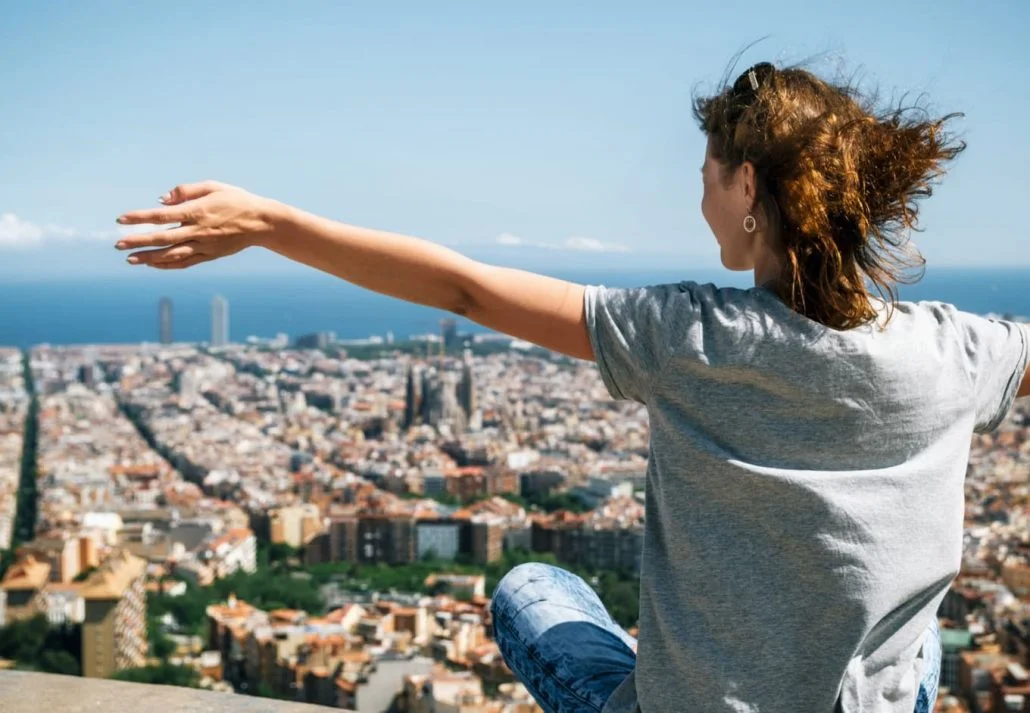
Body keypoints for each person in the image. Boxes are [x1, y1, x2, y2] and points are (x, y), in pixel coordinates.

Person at [115, 60, 1029, 713]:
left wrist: (272, 222)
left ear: (746, 183)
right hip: (873, 699)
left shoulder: (689, 336)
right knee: (912, 651)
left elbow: (462, 287)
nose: (700, 193)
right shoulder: (960, 351)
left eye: (707, 173)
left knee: (531, 586)